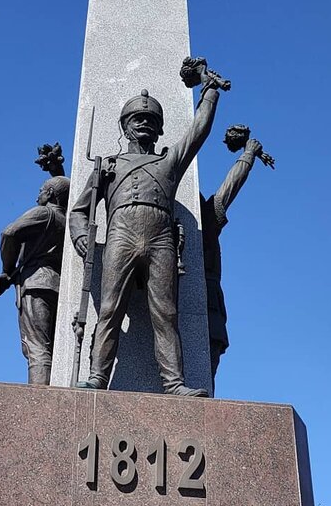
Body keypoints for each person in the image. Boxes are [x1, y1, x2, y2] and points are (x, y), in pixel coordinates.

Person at [69, 65, 223, 396]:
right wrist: (83, 236)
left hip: (161, 238)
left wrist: (209, 92)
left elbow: (198, 131)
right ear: (125, 127)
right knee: (109, 309)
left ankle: (174, 383)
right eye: (137, 119)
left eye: (151, 120)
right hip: (119, 236)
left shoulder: (168, 161)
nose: (144, 123)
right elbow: (79, 210)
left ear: (160, 130)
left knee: (166, 314)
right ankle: (97, 377)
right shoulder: (108, 166)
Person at [0, 175, 69, 385]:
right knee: (50, 348)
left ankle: (40, 404)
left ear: (51, 194)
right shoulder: (68, 220)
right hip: (58, 287)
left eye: (41, 190)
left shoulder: (44, 213)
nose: (37, 196)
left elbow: (9, 233)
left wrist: (8, 270)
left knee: (36, 348)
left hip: (36, 283)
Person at [201, 136, 264, 383]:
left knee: (208, 370)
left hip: (210, 300)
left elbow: (229, 188)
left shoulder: (206, 218)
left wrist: (247, 156)